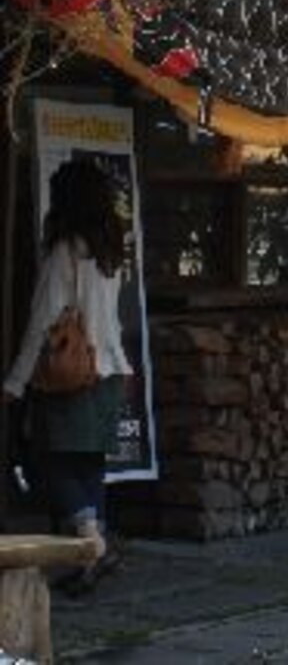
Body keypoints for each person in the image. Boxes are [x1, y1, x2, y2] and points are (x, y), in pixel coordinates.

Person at [4, 159, 134, 591]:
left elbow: (43, 323)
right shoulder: (110, 252)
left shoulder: (65, 253)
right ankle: (90, 557)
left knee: (46, 463)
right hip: (110, 373)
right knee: (88, 466)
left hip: (73, 375)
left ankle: (91, 544)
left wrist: (15, 382)